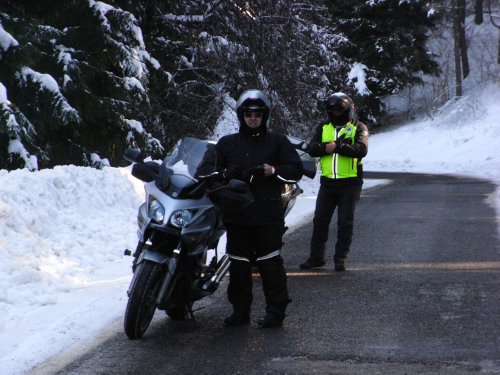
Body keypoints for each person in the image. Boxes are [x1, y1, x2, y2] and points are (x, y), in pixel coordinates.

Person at [211, 89, 303, 328]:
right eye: (248, 114)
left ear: (265, 116)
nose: (253, 118)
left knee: (269, 263)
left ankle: (276, 313)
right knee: (239, 265)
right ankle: (240, 313)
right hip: (237, 215)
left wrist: (273, 171)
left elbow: (295, 169)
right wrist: (223, 174)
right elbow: (208, 171)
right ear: (242, 116)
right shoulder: (227, 143)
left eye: (258, 114)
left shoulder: (278, 141)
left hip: (267, 214)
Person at [298, 92, 368, 271]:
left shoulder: (358, 127)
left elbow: (361, 149)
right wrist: (326, 148)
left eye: (339, 110)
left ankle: (340, 258)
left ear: (348, 110)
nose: (336, 113)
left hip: (350, 183)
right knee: (320, 220)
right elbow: (312, 148)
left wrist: (338, 147)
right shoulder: (324, 127)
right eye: (332, 110)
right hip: (328, 182)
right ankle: (316, 258)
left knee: (345, 222)